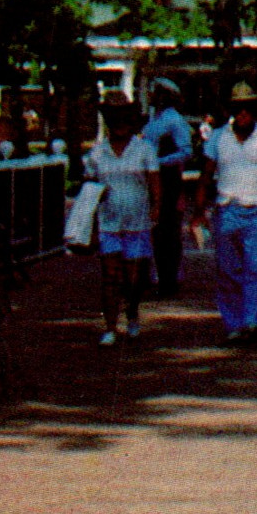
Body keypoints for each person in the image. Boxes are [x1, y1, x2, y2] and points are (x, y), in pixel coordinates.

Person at [197, 82, 257, 346]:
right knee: (228, 271)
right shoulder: (218, 138)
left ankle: (254, 322)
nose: (242, 114)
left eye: (247, 108)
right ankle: (234, 325)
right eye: (238, 108)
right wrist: (199, 211)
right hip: (227, 212)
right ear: (231, 110)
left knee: (256, 269)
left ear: (254, 110)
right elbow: (205, 177)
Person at [85, 92, 161, 346]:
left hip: (137, 223)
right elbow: (90, 192)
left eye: (123, 118)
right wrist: (91, 226)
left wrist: (156, 208)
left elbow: (154, 184)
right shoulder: (97, 153)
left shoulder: (144, 149)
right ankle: (109, 327)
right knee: (110, 275)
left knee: (133, 278)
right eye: (113, 118)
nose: (119, 124)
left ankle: (132, 313)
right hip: (108, 222)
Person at [140, 77, 194, 298]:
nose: (150, 96)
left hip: (167, 179)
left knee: (167, 231)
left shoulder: (174, 121)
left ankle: (169, 279)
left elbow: (186, 151)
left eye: (154, 92)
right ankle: (153, 277)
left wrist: (159, 163)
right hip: (151, 177)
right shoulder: (155, 120)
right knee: (152, 229)